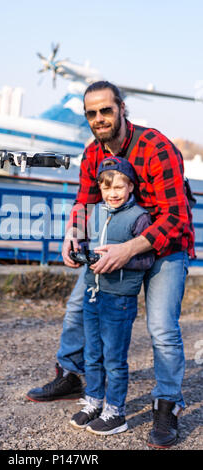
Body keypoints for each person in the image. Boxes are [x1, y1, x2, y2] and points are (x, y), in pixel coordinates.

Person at [26, 80, 195, 449]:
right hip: (115, 249)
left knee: (162, 328)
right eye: (91, 112)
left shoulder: (156, 147)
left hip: (162, 248)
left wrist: (129, 249)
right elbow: (84, 204)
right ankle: (72, 376)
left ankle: (167, 402)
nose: (99, 118)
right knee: (75, 309)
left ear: (121, 108)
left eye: (106, 110)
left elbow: (178, 218)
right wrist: (72, 234)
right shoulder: (92, 155)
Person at [69, 156, 154, 436]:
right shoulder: (98, 212)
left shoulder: (140, 217)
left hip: (119, 299)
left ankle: (116, 411)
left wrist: (119, 260)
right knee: (92, 354)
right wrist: (80, 252)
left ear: (131, 186)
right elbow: (90, 243)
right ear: (101, 190)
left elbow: (147, 260)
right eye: (107, 188)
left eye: (120, 186)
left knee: (114, 358)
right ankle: (94, 401)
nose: (113, 193)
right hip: (94, 293)